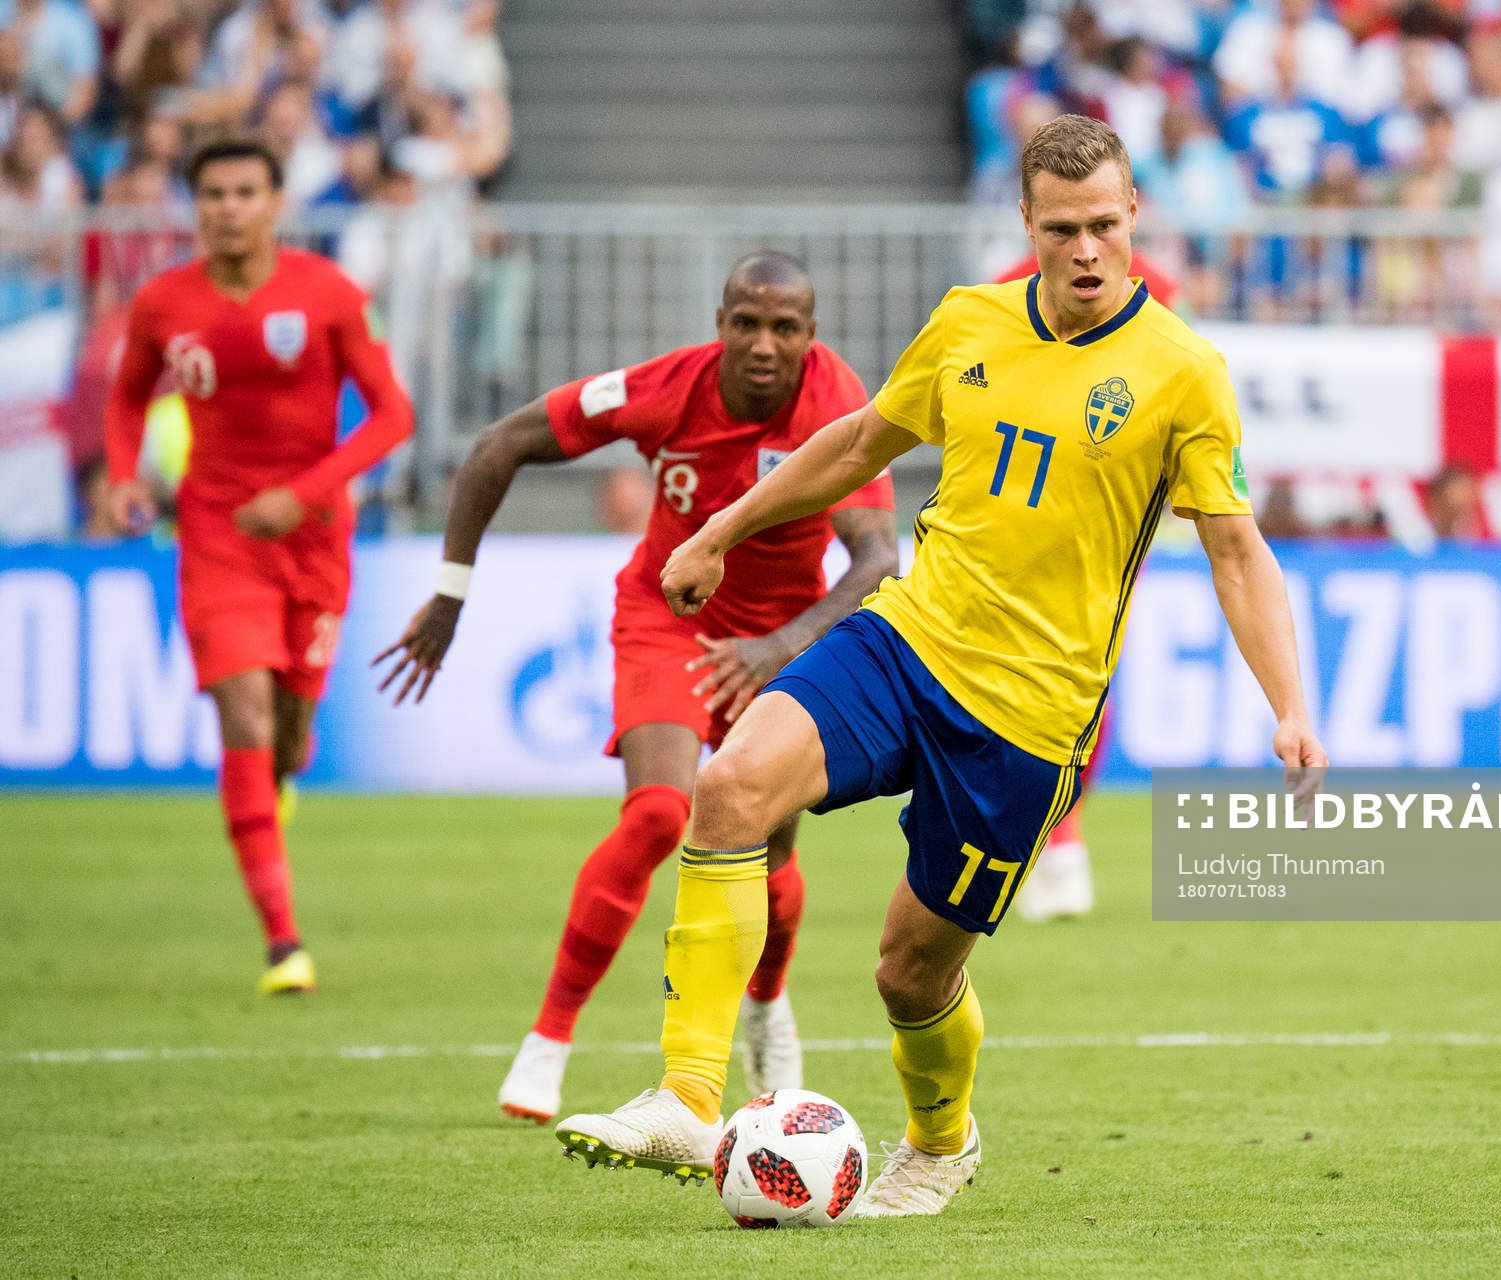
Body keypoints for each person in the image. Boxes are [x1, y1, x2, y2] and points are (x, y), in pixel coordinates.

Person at [552, 114, 1325, 1216]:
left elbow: (1236, 549)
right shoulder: (969, 321)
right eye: (1064, 229)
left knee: (910, 970)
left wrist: (1290, 703)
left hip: (1028, 718)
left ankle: (941, 1140)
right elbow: (861, 442)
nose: (1088, 250)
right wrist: (717, 528)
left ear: (1135, 215)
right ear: (1028, 223)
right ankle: (686, 1093)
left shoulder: (1184, 373)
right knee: (728, 785)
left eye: (1106, 224)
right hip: (905, 640)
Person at [372, 252, 898, 1125]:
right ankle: (549, 1041)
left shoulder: (837, 407)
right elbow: (501, 444)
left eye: (785, 328)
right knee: (659, 814)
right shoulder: (666, 389)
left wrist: (780, 646)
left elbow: (878, 557)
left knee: (768, 861)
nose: (763, 344)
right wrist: (452, 590)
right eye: (746, 323)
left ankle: (766, 1006)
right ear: (720, 320)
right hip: (672, 618)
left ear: (812, 336)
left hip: (782, 640)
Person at [101, 134, 414, 996]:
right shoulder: (163, 303)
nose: (228, 208)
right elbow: (128, 397)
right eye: (213, 195)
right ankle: (284, 943)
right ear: (196, 206)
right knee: (243, 716)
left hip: (314, 538)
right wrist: (126, 476)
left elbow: (392, 417)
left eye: (245, 192)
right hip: (217, 534)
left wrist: (306, 490)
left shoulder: (330, 294)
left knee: (290, 734)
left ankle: (278, 779)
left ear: (276, 203)